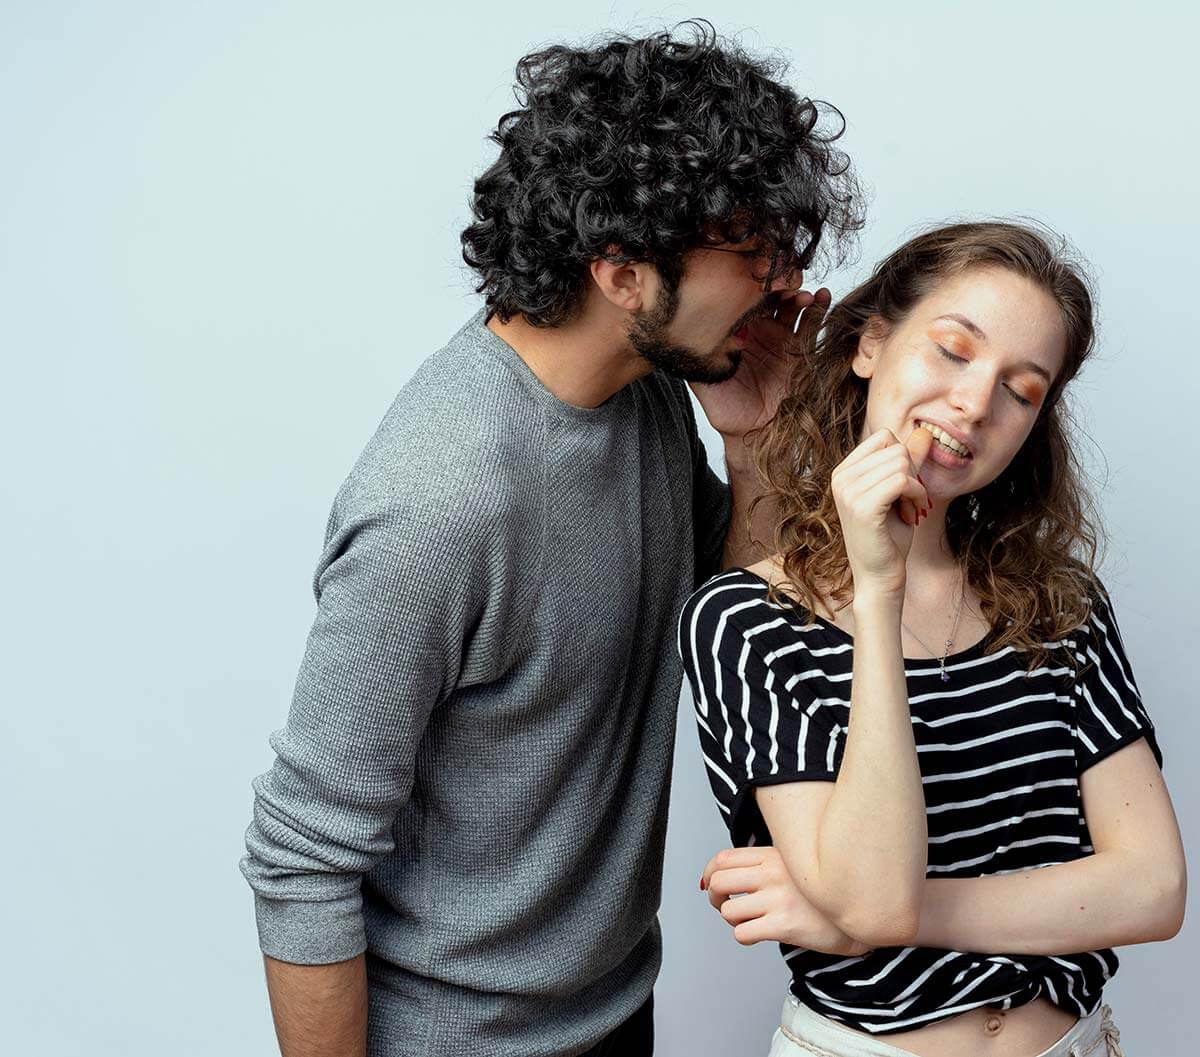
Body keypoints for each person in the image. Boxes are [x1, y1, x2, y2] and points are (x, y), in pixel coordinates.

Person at [239, 22, 861, 1057]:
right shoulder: (442, 501)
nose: (780, 281)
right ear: (623, 271)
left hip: (611, 1010)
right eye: (750, 250)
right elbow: (302, 860)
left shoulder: (646, 392)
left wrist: (753, 448)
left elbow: (731, 613)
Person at [681, 221, 1186, 1057]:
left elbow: (1153, 886)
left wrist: (879, 914)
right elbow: (873, 897)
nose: (975, 404)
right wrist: (878, 592)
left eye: (1021, 390)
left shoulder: (1060, 604)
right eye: (952, 350)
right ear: (871, 344)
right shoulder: (744, 620)